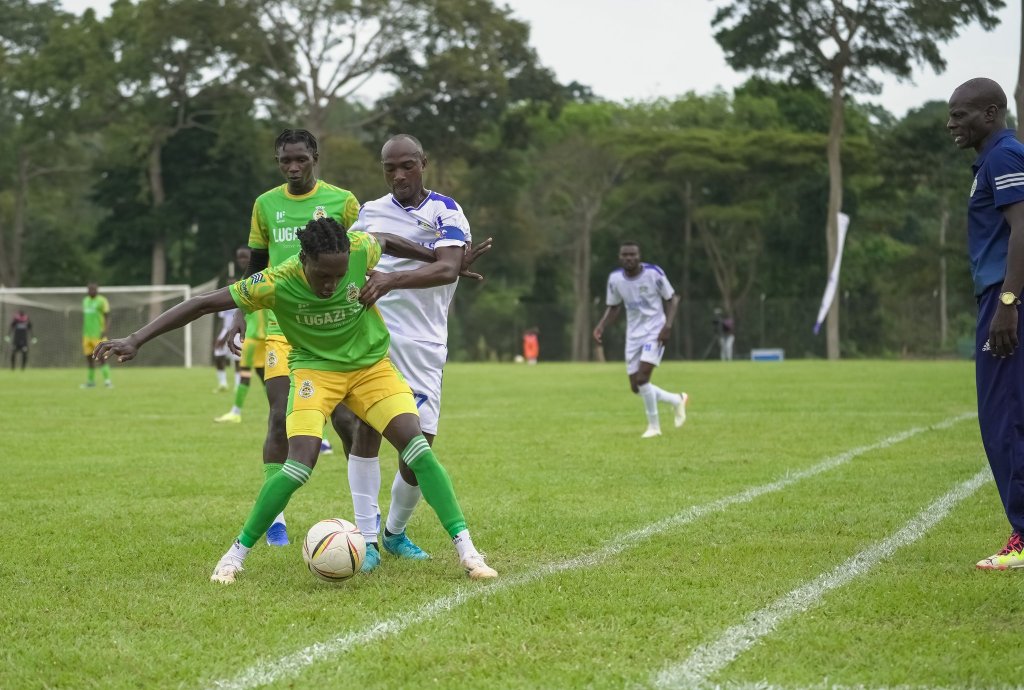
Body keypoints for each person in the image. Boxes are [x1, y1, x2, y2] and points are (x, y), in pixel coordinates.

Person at [94, 218, 499, 583]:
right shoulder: (274, 281)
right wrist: (136, 339)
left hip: (371, 368)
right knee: (298, 465)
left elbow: (387, 239)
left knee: (418, 451)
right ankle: (235, 556)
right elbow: (202, 303)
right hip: (314, 373)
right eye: (323, 275)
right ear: (303, 259)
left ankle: (468, 552)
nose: (331, 285)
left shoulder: (358, 249)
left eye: (340, 277)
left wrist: (439, 258)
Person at [344, 134, 488, 573]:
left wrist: (392, 278)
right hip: (375, 336)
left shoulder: (446, 210)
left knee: (420, 445)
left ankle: (394, 532)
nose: (398, 175)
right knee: (366, 433)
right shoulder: (367, 214)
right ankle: (366, 539)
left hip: (425, 344)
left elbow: (447, 269)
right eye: (390, 168)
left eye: (407, 166)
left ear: (423, 163)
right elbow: (347, 262)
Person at [222, 129, 363, 545]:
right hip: (280, 327)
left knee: (346, 420)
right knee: (280, 413)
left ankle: (365, 518)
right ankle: (276, 518)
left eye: (300, 159)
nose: (293, 167)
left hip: (334, 325)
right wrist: (239, 314)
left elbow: (363, 252)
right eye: (285, 161)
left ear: (315, 156)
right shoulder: (265, 205)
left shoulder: (344, 201)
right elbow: (257, 266)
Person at [947, 78, 1024, 570]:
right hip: (1002, 297)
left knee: (1003, 417)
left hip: (1008, 300)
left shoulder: (1004, 156)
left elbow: (1023, 228)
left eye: (961, 114)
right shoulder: (996, 158)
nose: (952, 124)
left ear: (991, 113)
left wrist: (1009, 302)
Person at [593, 241, 688, 438]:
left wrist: (667, 327)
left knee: (643, 378)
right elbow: (614, 306)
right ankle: (676, 400)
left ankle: (654, 427)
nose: (629, 258)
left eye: (632, 255)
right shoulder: (615, 279)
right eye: (625, 255)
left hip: (655, 331)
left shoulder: (654, 273)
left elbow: (672, 299)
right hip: (633, 335)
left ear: (639, 256)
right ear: (620, 258)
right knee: (636, 386)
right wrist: (601, 325)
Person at [215, 247, 266, 423]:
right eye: (239, 258)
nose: (242, 261)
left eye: (246, 257)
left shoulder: (259, 275)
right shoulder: (248, 279)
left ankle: (236, 412)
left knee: (275, 381)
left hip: (262, 335)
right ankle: (236, 412)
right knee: (255, 376)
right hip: (254, 335)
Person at [81, 283, 112, 388]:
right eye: (89, 289)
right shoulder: (85, 301)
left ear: (97, 290)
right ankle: (90, 382)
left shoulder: (102, 301)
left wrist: (105, 331)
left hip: (98, 335)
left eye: (93, 289)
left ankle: (107, 381)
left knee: (102, 358)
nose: (91, 291)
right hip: (87, 335)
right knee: (89, 359)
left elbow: (107, 316)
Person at [212, 306, 241, 393]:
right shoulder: (223, 301)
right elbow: (222, 320)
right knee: (218, 354)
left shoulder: (239, 298)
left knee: (238, 359)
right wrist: (219, 336)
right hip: (225, 330)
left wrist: (225, 337)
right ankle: (223, 384)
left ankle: (238, 386)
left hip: (238, 331)